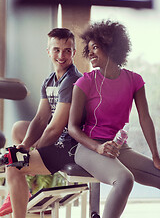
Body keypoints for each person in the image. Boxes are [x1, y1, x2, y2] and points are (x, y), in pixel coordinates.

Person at [68, 20, 160, 218]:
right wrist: (97, 147)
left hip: (118, 148)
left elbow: (145, 118)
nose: (90, 53)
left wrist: (155, 155)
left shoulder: (134, 80)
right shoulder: (85, 82)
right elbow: (72, 128)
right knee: (125, 179)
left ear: (111, 47)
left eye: (95, 47)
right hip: (88, 148)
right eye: (89, 48)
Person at [0, 28, 82, 218]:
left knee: (13, 167)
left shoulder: (72, 81)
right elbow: (40, 119)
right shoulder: (49, 81)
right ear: (48, 51)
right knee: (19, 129)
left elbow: (55, 128)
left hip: (69, 146)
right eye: (56, 50)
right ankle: (19, 191)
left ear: (74, 53)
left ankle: (18, 192)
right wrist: (25, 145)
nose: (61, 55)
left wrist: (32, 151)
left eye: (67, 50)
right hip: (57, 139)